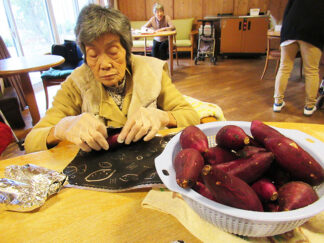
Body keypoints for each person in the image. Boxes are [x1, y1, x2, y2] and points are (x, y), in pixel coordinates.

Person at [24, 4, 200, 153]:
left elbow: (190, 116)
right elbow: (32, 141)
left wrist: (162, 116)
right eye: (93, 55)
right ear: (85, 56)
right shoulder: (76, 83)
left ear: (127, 50)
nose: (105, 64)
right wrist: (62, 128)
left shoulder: (151, 71)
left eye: (113, 52)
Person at [273, 0, 324, 116]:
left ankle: (277, 102)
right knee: (312, 71)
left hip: (289, 30)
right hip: (312, 32)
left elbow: (287, 12)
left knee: (284, 68)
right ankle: (309, 106)